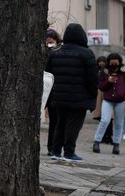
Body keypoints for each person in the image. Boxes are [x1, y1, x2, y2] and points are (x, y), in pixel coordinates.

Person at [45, 23, 97, 163]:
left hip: (59, 96)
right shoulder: (87, 54)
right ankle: (69, 152)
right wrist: (92, 97)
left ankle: (56, 151)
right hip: (78, 98)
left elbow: (48, 75)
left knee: (59, 124)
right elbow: (92, 79)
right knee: (73, 125)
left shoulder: (55, 52)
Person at [93, 53, 125, 155]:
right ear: (109, 61)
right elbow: (101, 86)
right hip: (108, 100)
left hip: (120, 101)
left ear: (119, 61)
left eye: (116, 60)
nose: (114, 62)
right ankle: (96, 142)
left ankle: (116, 145)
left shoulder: (124, 71)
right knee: (104, 120)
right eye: (112, 60)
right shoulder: (105, 71)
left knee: (119, 123)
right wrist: (108, 81)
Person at [44, 28, 62, 156]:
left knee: (55, 121)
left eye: (51, 42)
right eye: (47, 42)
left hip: (56, 91)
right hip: (47, 89)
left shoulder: (59, 53)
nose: (49, 45)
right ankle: (52, 147)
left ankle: (52, 147)